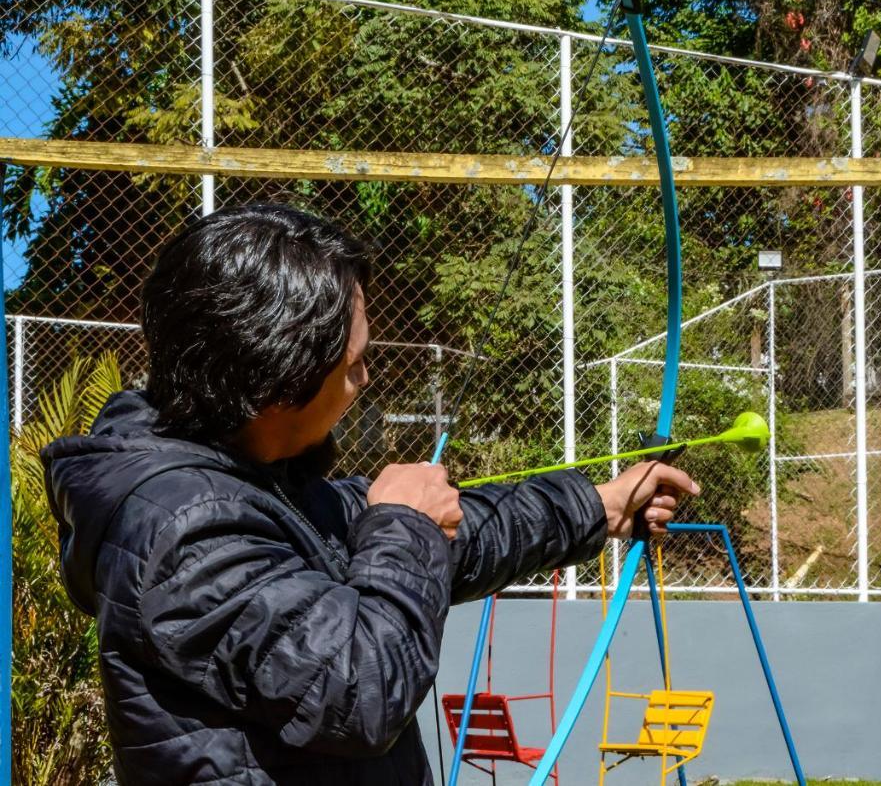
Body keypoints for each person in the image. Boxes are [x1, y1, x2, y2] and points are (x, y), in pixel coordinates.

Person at [42, 203, 699, 786]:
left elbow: (457, 535)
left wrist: (601, 503)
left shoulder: (254, 483)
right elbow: (362, 686)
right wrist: (403, 523)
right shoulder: (184, 529)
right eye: (352, 359)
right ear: (279, 383)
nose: (365, 374)